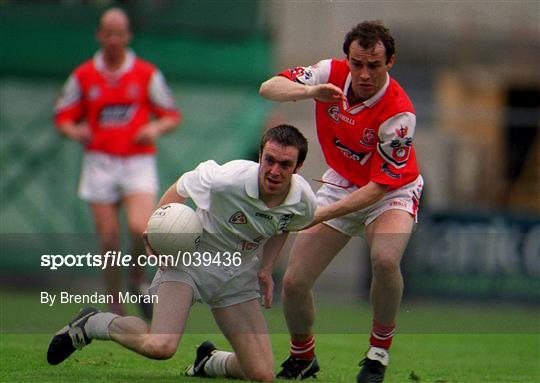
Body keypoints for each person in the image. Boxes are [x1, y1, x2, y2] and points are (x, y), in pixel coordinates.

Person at [47, 125, 317, 382]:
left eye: (285, 165)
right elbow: (181, 187)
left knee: (261, 374)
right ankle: (93, 323)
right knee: (161, 346)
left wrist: (266, 268)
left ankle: (208, 362)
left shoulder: (303, 201)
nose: (274, 171)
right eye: (269, 160)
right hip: (189, 263)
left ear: (298, 168)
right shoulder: (227, 179)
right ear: (260, 156)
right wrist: (156, 233)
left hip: (237, 274)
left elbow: (284, 225)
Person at [259, 21, 423, 382]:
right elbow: (268, 87)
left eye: (374, 66)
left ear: (390, 62)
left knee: (384, 257)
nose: (363, 74)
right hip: (343, 182)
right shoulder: (328, 73)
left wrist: (321, 213)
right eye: (356, 63)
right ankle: (303, 357)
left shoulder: (399, 113)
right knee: (295, 282)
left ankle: (378, 352)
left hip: (390, 191)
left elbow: (379, 187)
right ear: (347, 58)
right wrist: (310, 91)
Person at [54, 8, 181, 318]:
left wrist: (154, 127)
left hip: (137, 162)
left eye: (119, 33)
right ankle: (115, 305)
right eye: (108, 32)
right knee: (109, 238)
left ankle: (136, 277)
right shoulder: (83, 76)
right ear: (99, 35)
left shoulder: (146, 74)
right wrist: (75, 130)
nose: (113, 39)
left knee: (140, 228)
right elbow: (63, 117)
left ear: (127, 36)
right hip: (100, 163)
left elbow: (171, 115)